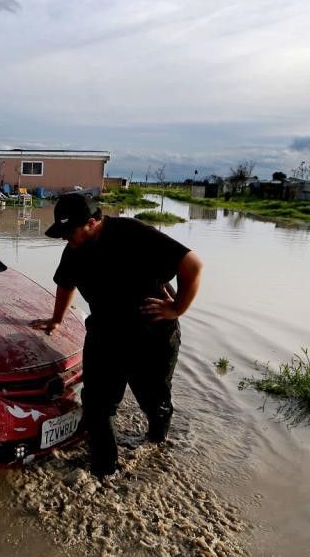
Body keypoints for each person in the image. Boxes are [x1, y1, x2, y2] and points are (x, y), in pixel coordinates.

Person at [31, 193, 202, 478]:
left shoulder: (133, 233)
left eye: (68, 231)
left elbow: (193, 264)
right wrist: (57, 319)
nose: (64, 238)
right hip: (105, 332)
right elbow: (65, 283)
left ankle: (157, 442)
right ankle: (103, 471)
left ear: (91, 222)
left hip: (151, 334)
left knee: (153, 400)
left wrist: (177, 308)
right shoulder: (74, 247)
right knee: (97, 404)